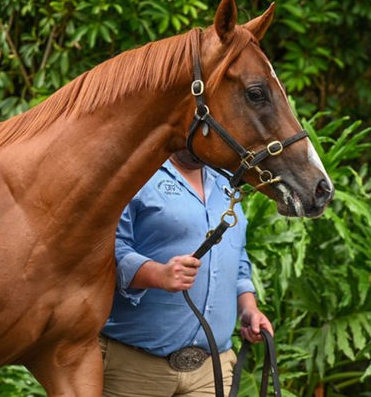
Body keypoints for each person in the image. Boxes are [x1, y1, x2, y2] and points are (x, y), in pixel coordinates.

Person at [100, 149, 274, 397]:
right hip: (135, 366)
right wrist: (157, 274)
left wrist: (249, 308)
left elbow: (237, 256)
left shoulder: (226, 181)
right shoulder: (136, 173)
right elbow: (106, 250)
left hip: (212, 369)